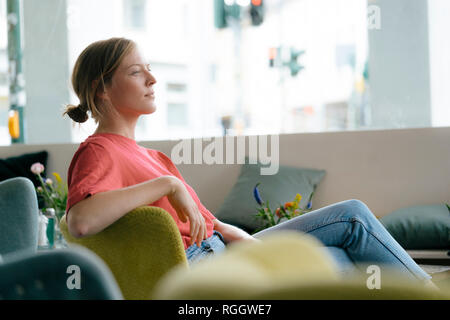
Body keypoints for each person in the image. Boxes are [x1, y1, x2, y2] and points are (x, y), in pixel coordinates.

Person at [63, 37, 433, 287]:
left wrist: (228, 229)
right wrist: (168, 185)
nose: (153, 79)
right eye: (136, 72)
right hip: (203, 265)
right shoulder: (99, 150)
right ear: (101, 88)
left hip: (219, 247)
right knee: (351, 222)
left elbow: (201, 222)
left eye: (148, 68)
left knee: (342, 248)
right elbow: (81, 221)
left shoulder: (152, 156)